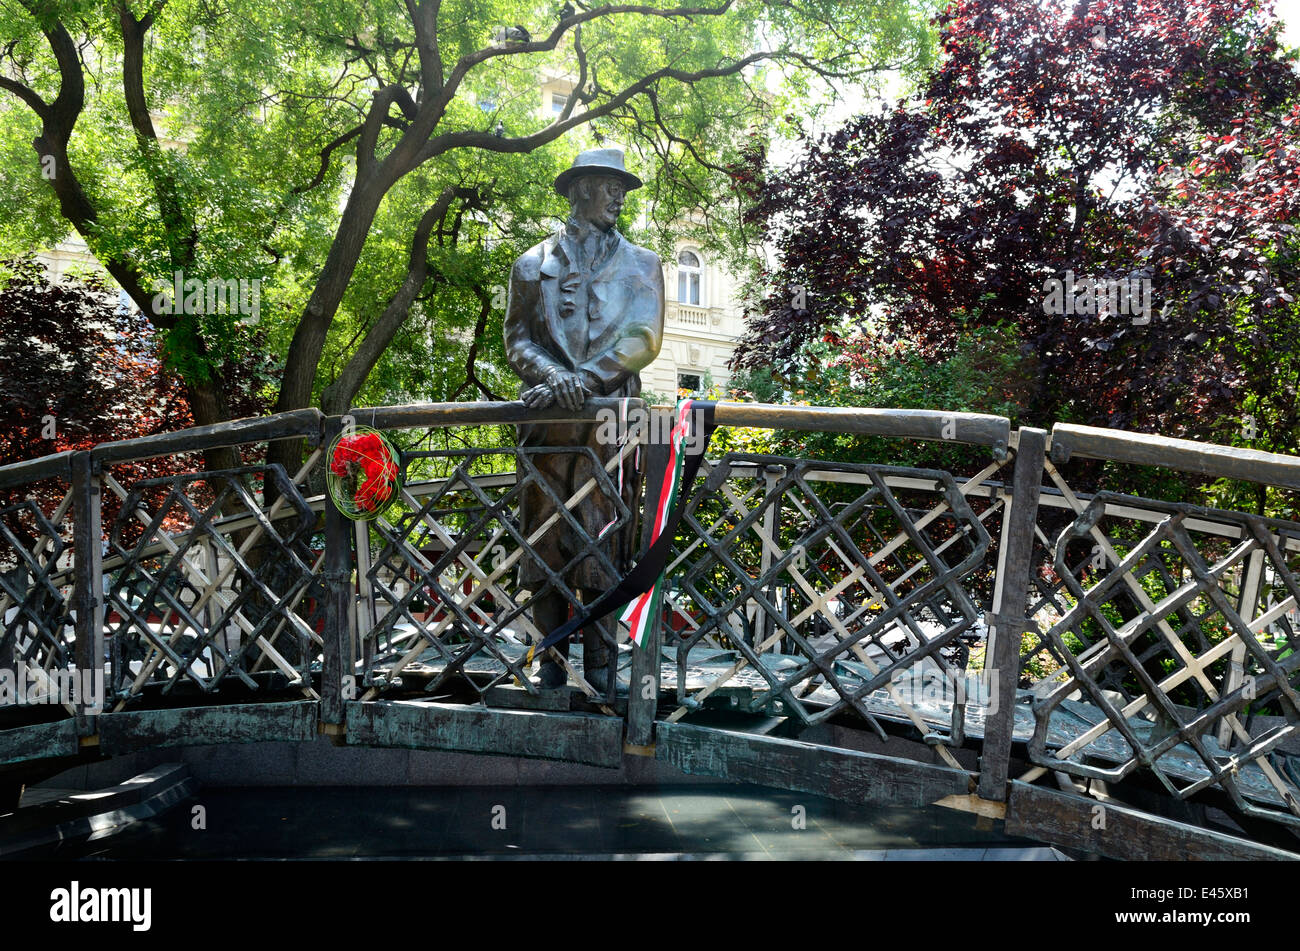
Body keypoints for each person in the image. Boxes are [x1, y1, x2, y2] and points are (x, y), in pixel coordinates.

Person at [503, 148, 664, 689]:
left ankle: (601, 667)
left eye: (622, 187)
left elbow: (644, 337)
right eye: (607, 184)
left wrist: (588, 380)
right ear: (577, 190)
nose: (619, 196)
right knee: (543, 541)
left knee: (603, 540)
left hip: (609, 426)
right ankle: (549, 662)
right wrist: (554, 377)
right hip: (547, 425)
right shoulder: (531, 264)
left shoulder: (643, 264)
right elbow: (517, 338)